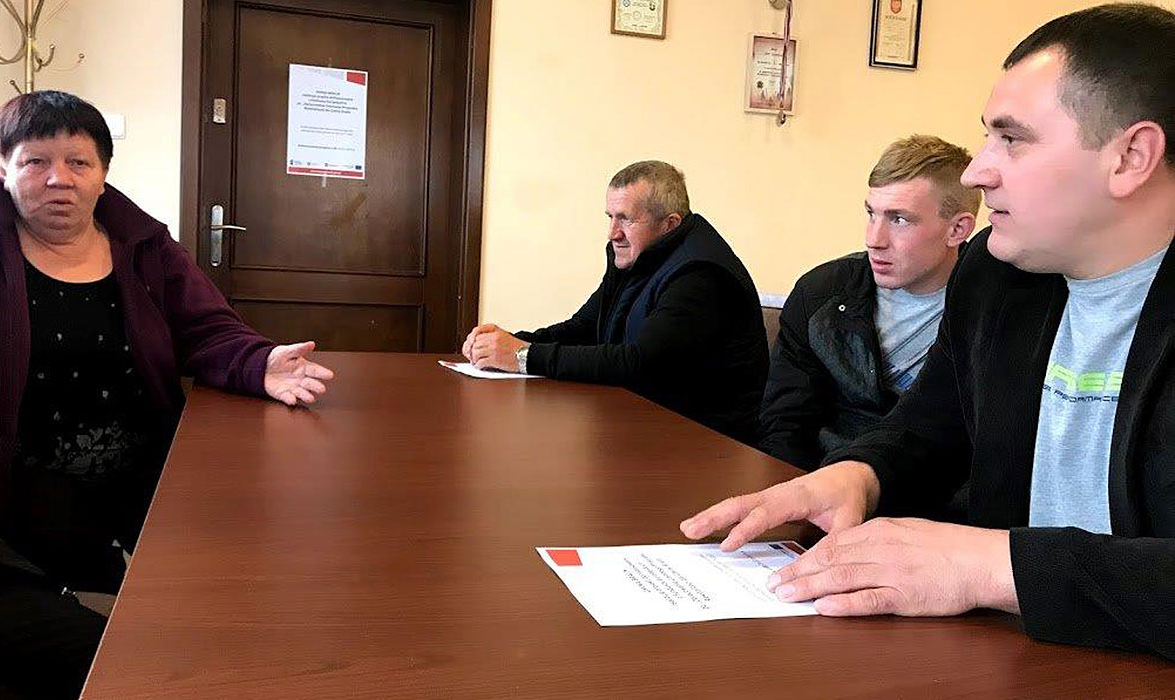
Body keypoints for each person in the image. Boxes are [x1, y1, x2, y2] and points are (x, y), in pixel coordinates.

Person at [681, 3, 1175, 660]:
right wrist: (858, 474)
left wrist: (989, 566)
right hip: (1017, 657)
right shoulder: (997, 277)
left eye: (1011, 139)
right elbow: (931, 426)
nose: (976, 172)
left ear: (1131, 157)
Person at [0, 90, 335, 697]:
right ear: (2, 166)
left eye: (79, 162)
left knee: (253, 579)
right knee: (63, 646)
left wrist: (257, 363)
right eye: (35, 161)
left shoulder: (141, 243)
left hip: (145, 468)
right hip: (14, 483)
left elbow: (207, 327)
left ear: (102, 174)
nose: (59, 179)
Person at [462, 160, 769, 443]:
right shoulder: (639, 253)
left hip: (706, 445)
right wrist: (508, 344)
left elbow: (638, 364)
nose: (612, 233)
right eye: (610, 217)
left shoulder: (699, 274)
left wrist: (522, 356)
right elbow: (584, 327)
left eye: (625, 219)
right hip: (647, 424)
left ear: (670, 224)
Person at [758, 135, 978, 471]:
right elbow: (784, 425)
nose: (873, 239)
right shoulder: (819, 294)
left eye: (899, 219)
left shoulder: (994, 308)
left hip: (938, 495)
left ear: (958, 229)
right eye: (871, 214)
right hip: (822, 478)